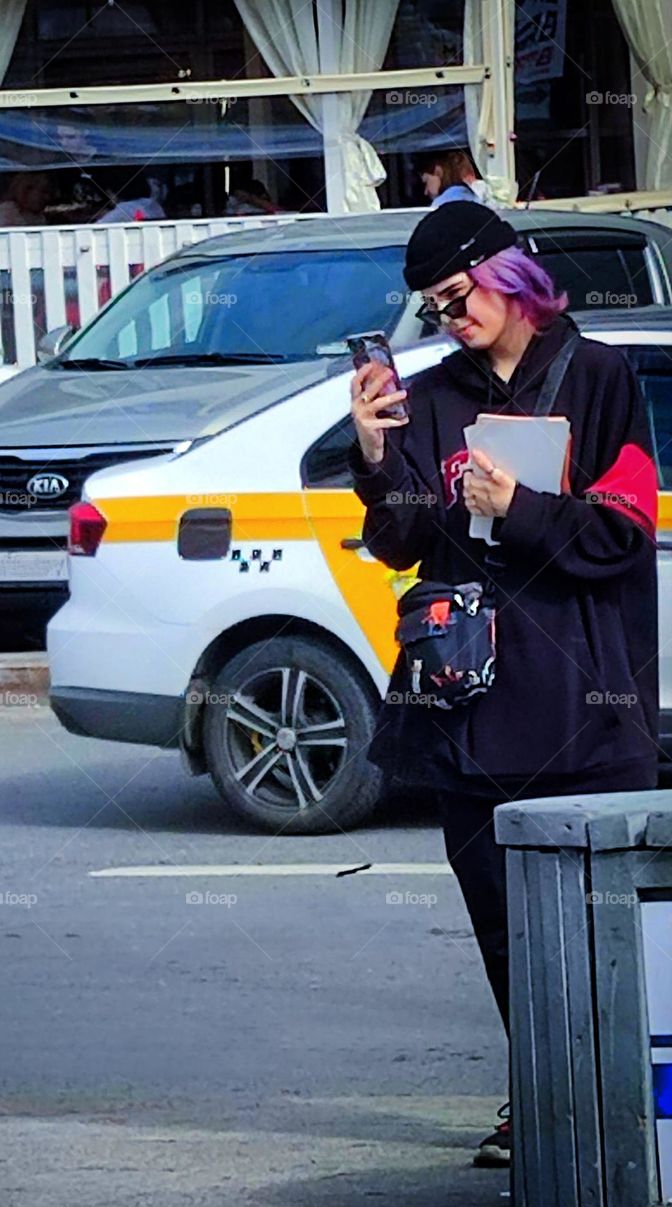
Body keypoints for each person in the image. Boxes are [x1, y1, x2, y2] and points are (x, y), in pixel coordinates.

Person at [349, 201, 658, 1169]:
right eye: (435, 309)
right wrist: (375, 455)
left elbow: (622, 535)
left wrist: (518, 507)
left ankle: (630, 1111)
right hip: (467, 711)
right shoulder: (433, 396)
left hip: (591, 709)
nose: (452, 319)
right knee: (504, 930)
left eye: (459, 296)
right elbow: (399, 539)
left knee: (613, 935)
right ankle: (544, 1102)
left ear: (506, 272)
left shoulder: (601, 377)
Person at [418, 148, 493, 208]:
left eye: (426, 182)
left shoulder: (440, 204)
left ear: (438, 171)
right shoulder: (480, 197)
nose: (426, 192)